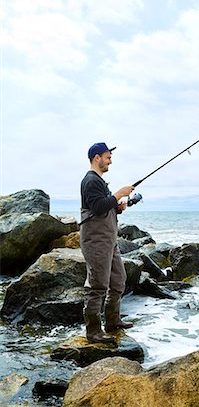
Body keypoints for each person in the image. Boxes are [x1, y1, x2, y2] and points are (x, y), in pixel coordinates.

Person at [80, 142, 134, 344]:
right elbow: (98, 207)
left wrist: (117, 207)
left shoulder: (99, 182)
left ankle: (112, 322)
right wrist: (118, 194)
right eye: (108, 157)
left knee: (119, 280)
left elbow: (102, 207)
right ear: (97, 158)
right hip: (96, 241)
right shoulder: (90, 181)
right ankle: (93, 331)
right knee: (97, 286)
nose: (110, 160)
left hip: (109, 240)